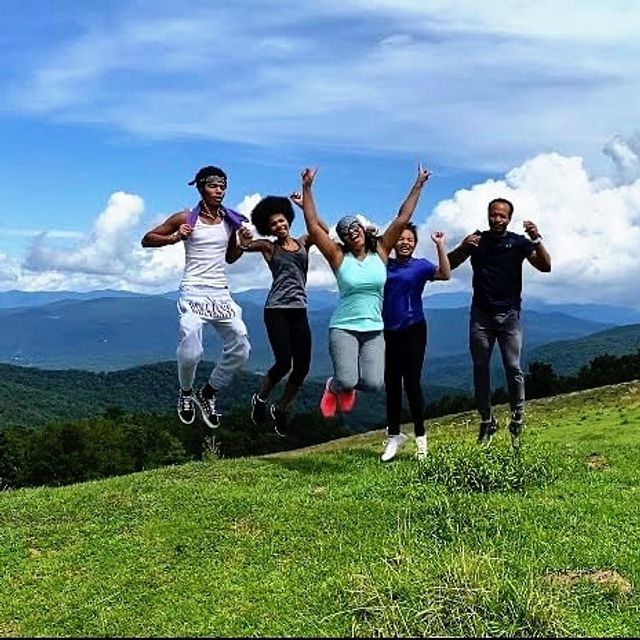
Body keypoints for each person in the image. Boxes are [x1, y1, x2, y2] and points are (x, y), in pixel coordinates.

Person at [300, 164, 432, 420]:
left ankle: (345, 386)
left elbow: (402, 218)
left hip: (374, 328)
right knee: (347, 380)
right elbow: (314, 228)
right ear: (345, 239)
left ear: (362, 229)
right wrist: (307, 188)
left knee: (373, 384)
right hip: (344, 326)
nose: (353, 232)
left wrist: (419, 184)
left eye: (355, 227)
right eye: (347, 231)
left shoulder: (381, 252)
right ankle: (335, 386)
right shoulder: (338, 257)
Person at [141, 165, 251, 429]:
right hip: (193, 290)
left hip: (220, 293)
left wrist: (242, 244)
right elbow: (147, 239)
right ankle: (186, 393)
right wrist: (176, 237)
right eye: (214, 186)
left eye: (223, 186)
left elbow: (230, 258)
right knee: (191, 350)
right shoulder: (186, 217)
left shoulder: (230, 221)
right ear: (201, 187)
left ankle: (209, 392)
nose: (220, 191)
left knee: (241, 348)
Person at [447, 197, 551, 444]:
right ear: (487, 215)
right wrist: (463, 246)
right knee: (480, 368)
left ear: (509, 218)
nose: (497, 219)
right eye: (493, 214)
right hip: (481, 314)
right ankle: (487, 421)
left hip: (509, 315)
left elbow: (545, 266)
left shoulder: (518, 243)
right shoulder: (476, 240)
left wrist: (536, 238)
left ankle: (517, 418)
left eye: (502, 215)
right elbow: (449, 266)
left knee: (512, 367)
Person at [237, 193, 328, 437]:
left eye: (281, 221)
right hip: (276, 310)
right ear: (269, 229)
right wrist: (242, 237)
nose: (279, 225)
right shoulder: (270, 247)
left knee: (302, 367)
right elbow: (245, 246)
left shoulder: (304, 242)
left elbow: (323, 230)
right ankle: (260, 399)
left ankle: (281, 407)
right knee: (284, 361)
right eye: (273, 224)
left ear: (288, 219)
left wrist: (304, 204)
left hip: (299, 310)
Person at [380, 223, 451, 462]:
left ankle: (421, 440)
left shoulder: (420, 266)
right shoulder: (383, 264)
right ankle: (393, 437)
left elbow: (445, 274)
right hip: (388, 331)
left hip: (414, 329)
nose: (405, 242)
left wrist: (440, 245)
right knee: (391, 384)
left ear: (415, 243)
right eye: (400, 238)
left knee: (412, 384)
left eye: (409, 239)